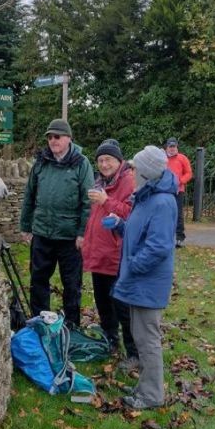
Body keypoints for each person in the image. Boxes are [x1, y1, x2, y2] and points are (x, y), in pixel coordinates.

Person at [109, 145, 178, 410]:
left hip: (147, 282)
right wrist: (120, 225)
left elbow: (159, 247)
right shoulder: (146, 196)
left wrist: (134, 266)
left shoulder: (161, 201)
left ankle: (151, 395)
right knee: (140, 336)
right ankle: (146, 386)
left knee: (147, 340)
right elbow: (140, 234)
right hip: (140, 280)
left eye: (136, 167)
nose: (132, 171)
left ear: (147, 172)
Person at [19, 118, 94, 326]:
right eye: (50, 137)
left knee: (72, 284)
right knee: (38, 281)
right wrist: (25, 226)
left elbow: (87, 201)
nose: (53, 141)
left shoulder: (81, 164)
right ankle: (40, 324)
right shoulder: (41, 162)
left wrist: (82, 233)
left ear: (68, 139)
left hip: (69, 237)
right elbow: (29, 195)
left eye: (57, 137)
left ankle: (71, 326)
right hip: (42, 233)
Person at [82, 139, 138, 367]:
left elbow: (131, 213)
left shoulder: (129, 182)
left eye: (108, 160)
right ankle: (110, 340)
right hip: (99, 254)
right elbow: (95, 217)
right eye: (101, 160)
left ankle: (134, 352)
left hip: (118, 255)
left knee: (122, 306)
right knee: (103, 302)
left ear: (119, 161)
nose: (104, 164)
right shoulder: (100, 181)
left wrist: (107, 201)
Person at [164, 137, 192, 248]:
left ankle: (179, 238)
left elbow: (189, 173)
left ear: (177, 147)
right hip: (164, 191)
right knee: (164, 214)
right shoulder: (162, 158)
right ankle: (166, 236)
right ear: (167, 147)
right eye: (170, 147)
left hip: (178, 191)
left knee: (178, 214)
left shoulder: (182, 158)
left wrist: (180, 181)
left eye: (174, 146)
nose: (172, 149)